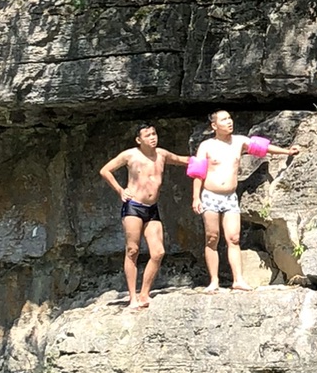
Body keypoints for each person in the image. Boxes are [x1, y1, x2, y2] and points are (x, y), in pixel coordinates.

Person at [193, 109, 303, 293]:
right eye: (224, 119)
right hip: (210, 195)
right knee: (212, 238)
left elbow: (262, 148)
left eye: (229, 118)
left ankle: (238, 279)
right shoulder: (206, 146)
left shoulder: (239, 141)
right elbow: (197, 173)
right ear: (214, 126)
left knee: (233, 238)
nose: (229, 122)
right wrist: (195, 197)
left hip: (230, 197)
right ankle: (214, 281)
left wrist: (286, 151)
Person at [98, 125, 190, 309]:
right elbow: (105, 170)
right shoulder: (130, 155)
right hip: (133, 206)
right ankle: (132, 297)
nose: (152, 138)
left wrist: (207, 160)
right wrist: (120, 190)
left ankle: (144, 293)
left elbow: (182, 159)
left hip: (152, 208)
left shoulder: (161, 154)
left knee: (158, 252)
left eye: (154, 134)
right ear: (139, 140)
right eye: (148, 135)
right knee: (132, 250)